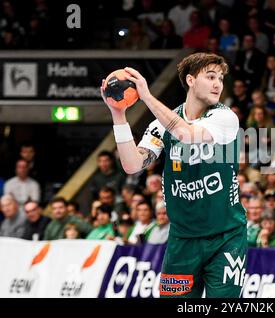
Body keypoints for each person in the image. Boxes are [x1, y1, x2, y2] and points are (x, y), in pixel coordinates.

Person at [101, 53, 247, 298]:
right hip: (182, 238)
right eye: (210, 77)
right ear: (190, 80)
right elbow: (132, 164)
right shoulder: (161, 126)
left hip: (226, 236)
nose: (217, 84)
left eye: (220, 78)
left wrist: (146, 96)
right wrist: (118, 115)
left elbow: (187, 134)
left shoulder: (225, 117)